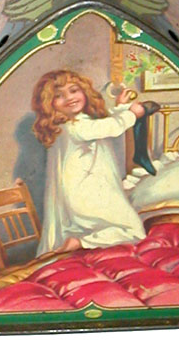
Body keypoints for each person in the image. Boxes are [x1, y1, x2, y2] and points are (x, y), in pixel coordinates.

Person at [31, 69, 146, 256]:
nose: (69, 98)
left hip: (78, 192)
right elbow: (111, 127)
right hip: (84, 194)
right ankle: (81, 242)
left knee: (125, 225)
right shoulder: (75, 127)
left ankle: (81, 241)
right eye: (59, 95)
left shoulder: (68, 125)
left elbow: (102, 126)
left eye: (74, 90)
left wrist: (120, 108)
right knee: (134, 230)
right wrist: (132, 114)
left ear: (84, 91)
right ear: (48, 103)